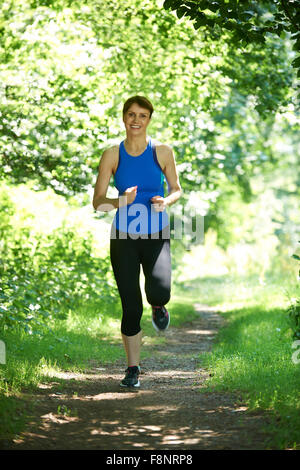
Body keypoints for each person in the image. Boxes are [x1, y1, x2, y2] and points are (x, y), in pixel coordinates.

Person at [92, 96, 181, 388]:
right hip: (124, 237)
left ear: (149, 120)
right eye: (131, 114)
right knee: (131, 306)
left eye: (142, 115)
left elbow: (176, 190)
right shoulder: (111, 155)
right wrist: (122, 200)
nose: (136, 120)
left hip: (156, 232)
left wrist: (164, 201)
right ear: (124, 117)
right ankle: (133, 369)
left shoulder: (163, 152)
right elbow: (98, 203)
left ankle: (159, 306)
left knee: (159, 290)